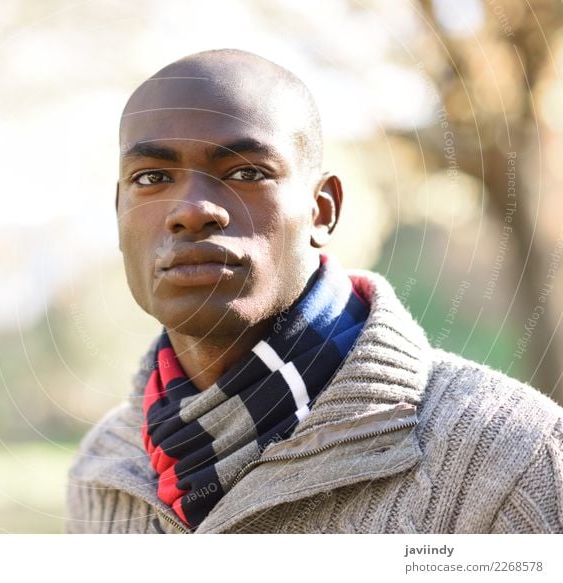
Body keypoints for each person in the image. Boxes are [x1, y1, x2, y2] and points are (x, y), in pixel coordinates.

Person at [65, 48, 563, 534]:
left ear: (322, 210)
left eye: (246, 173)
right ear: (119, 214)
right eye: (151, 177)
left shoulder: (514, 461)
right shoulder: (104, 471)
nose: (191, 210)